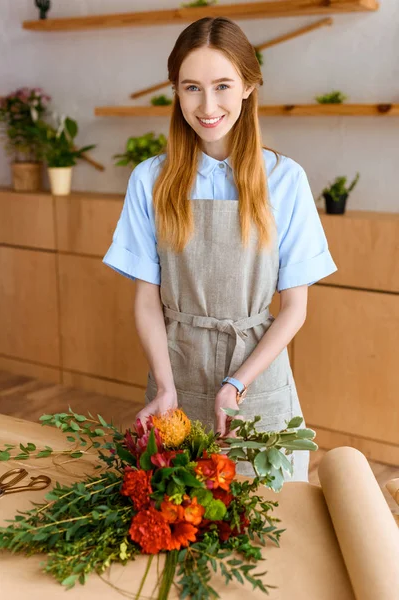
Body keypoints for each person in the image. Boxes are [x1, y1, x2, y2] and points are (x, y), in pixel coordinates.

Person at [103, 17, 337, 481]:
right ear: (175, 90)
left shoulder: (285, 181)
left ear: (249, 86)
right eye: (191, 87)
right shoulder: (150, 179)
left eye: (223, 86)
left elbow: (294, 308)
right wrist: (165, 388)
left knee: (271, 521)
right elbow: (147, 300)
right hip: (176, 370)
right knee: (179, 518)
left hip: (254, 379)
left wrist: (236, 383)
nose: (207, 106)